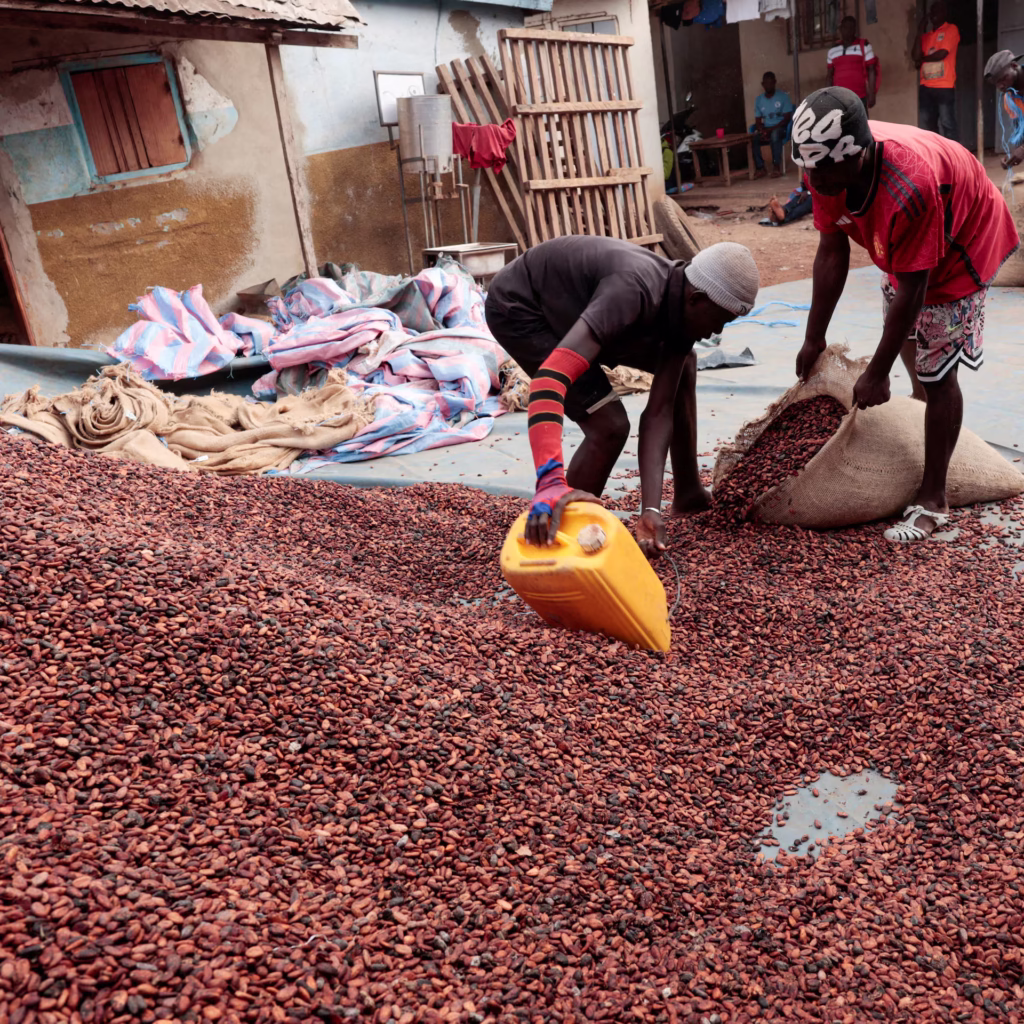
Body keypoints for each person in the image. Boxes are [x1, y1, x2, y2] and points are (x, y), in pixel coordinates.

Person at [792, 87, 1018, 543]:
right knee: (913, 349)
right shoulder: (824, 165)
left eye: (824, 173)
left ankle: (935, 496)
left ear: (857, 155)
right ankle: (925, 409)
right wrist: (813, 338)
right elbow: (831, 251)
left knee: (938, 372)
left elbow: (916, 289)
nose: (815, 184)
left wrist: (876, 372)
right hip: (911, 244)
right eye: (809, 170)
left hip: (963, 238)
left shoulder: (910, 185)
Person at [485, 236, 759, 557]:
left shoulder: (681, 313)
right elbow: (549, 382)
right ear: (697, 298)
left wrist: (650, 509)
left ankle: (687, 492)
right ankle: (562, 529)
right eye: (722, 320)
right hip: (523, 308)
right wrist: (549, 480)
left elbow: (658, 414)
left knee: (686, 364)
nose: (717, 333)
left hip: (576, 308)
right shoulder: (632, 291)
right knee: (609, 425)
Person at [913, 1, 959, 140]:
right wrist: (920, 32)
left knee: (947, 124)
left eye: (937, 11)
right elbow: (915, 56)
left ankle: (954, 157)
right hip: (926, 87)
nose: (933, 15)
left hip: (944, 86)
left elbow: (942, 54)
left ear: (944, 13)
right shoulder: (926, 37)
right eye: (931, 12)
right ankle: (937, 156)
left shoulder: (951, 29)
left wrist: (922, 59)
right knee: (928, 127)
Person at [826, 16, 879, 113]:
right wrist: (827, 97)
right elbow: (829, 76)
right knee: (841, 126)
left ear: (855, 29)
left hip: (859, 97)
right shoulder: (832, 50)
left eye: (851, 28)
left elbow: (872, 70)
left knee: (860, 126)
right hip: (839, 99)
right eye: (845, 27)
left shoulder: (865, 46)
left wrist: (872, 93)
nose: (848, 31)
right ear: (841, 29)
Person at [983, 49, 1024, 168]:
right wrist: (1013, 155)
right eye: (996, 83)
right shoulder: (1009, 98)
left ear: (1014, 65)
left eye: (1003, 78)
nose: (1000, 86)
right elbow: (1019, 130)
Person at [751, 72, 794, 179]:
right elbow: (757, 119)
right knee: (754, 138)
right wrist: (761, 130)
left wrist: (770, 130)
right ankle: (760, 168)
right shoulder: (759, 100)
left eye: (771, 83)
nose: (769, 85)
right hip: (767, 129)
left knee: (775, 135)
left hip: (781, 128)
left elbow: (787, 119)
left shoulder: (783, 97)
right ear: (762, 84)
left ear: (775, 83)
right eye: (766, 83)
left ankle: (776, 167)